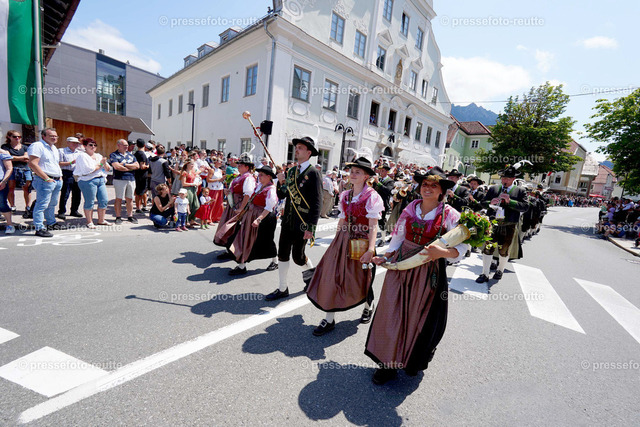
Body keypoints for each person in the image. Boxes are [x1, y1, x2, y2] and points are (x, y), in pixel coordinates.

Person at [366, 167, 469, 384]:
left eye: (433, 185)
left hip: (428, 271)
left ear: (442, 191)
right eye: (424, 184)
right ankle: (387, 362)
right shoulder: (410, 208)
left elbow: (462, 249)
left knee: (417, 316)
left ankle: (411, 357)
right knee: (391, 312)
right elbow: (398, 237)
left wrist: (442, 253)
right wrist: (386, 256)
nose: (427, 188)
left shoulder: (450, 214)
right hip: (403, 265)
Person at [306, 157, 384, 336]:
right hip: (343, 241)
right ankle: (329, 319)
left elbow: (373, 226)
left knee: (362, 278)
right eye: (352, 171)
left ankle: (368, 305)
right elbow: (342, 220)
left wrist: (370, 250)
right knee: (333, 277)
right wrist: (336, 241)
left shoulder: (372, 196)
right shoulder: (345, 195)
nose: (353, 174)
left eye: (358, 172)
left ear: (366, 176)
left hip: (361, 243)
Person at [264, 137, 322, 301]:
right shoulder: (290, 172)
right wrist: (280, 181)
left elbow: (317, 202)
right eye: (296, 147)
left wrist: (311, 227)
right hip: (288, 221)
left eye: (301, 148)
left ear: (309, 152)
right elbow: (282, 195)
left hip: (303, 223)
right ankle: (283, 288)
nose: (297, 149)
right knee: (282, 254)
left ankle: (312, 279)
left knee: (298, 257)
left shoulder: (313, 173)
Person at [476, 165, 528, 283]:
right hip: (492, 223)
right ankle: (485, 273)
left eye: (508, 178)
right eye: (503, 178)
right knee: (488, 248)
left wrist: (510, 202)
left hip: (508, 224)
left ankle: (500, 270)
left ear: (513, 179)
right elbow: (482, 203)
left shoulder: (520, 191)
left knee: (503, 249)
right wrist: (490, 203)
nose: (505, 180)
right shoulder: (494, 189)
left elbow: (525, 207)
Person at [226, 164, 279, 275]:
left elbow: (269, 208)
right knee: (245, 239)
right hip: (252, 215)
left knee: (266, 241)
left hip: (265, 217)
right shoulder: (259, 186)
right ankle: (242, 266)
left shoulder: (271, 189)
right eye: (259, 174)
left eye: (262, 175)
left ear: (269, 177)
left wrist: (259, 219)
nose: (259, 176)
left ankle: (275, 261)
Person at [214, 153, 256, 257]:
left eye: (241, 165)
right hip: (233, 204)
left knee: (236, 228)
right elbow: (235, 190)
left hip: (240, 205)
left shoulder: (248, 178)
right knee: (231, 227)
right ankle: (229, 249)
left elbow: (248, 194)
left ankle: (234, 251)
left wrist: (241, 208)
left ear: (247, 167)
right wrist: (228, 192)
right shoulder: (239, 177)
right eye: (239, 164)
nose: (238, 166)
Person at [27, 128, 64, 237]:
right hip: (45, 180)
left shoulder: (54, 148)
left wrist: (60, 176)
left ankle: (51, 223)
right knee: (42, 204)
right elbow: (32, 163)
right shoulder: (37, 146)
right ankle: (39, 228)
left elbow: (54, 164)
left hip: (56, 179)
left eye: (56, 136)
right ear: (43, 136)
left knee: (52, 203)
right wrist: (46, 178)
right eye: (51, 136)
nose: (54, 138)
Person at [73, 138, 111, 228]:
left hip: (101, 179)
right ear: (85, 146)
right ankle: (89, 222)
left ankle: (101, 220)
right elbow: (89, 170)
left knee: (104, 200)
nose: (93, 147)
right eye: (90, 145)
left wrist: (103, 164)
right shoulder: (82, 156)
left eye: (95, 145)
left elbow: (108, 169)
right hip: (87, 180)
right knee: (90, 202)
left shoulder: (99, 155)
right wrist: (101, 164)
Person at [109, 139, 140, 224]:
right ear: (118, 145)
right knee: (119, 198)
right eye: (125, 145)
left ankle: (130, 216)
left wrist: (124, 165)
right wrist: (130, 168)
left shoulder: (131, 155)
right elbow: (116, 167)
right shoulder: (114, 155)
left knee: (130, 198)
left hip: (131, 179)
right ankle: (118, 216)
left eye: (127, 145)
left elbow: (137, 166)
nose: (127, 147)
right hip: (119, 179)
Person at [2, 130, 32, 216]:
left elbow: (27, 157)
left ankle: (28, 206)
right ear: (9, 137)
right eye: (15, 137)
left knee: (27, 188)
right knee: (11, 188)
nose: (17, 138)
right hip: (11, 169)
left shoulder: (25, 147)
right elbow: (7, 157)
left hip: (25, 169)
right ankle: (12, 206)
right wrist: (21, 158)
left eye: (19, 136)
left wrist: (14, 157)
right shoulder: (5, 146)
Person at [57, 136, 83, 220]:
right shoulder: (61, 151)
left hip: (77, 174)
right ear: (68, 143)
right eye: (73, 143)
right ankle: (61, 211)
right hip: (67, 173)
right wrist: (70, 163)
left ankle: (74, 210)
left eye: (77, 143)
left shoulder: (80, 152)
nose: (75, 144)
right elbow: (59, 163)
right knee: (65, 193)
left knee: (77, 193)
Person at [373, 161, 395, 242]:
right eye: (380, 170)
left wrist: (378, 183)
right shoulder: (379, 179)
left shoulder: (390, 181)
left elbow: (388, 191)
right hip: (375, 202)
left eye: (382, 171)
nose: (380, 172)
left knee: (381, 221)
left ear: (386, 171)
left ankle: (383, 239)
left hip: (383, 203)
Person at [179, 160, 201, 227]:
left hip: (193, 189)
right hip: (187, 189)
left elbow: (197, 178)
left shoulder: (193, 172)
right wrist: (192, 184)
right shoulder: (184, 172)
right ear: (187, 164)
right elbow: (183, 183)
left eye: (193, 164)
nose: (192, 166)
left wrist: (198, 182)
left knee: (196, 206)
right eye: (191, 164)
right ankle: (186, 221)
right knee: (189, 205)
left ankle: (192, 219)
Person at [0, 146, 15, 233]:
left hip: (1, 182)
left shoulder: (3, 153)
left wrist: (4, 181)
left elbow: (9, 168)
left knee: (2, 203)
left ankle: (9, 225)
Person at [133, 139, 150, 213]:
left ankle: (139, 207)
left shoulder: (135, 153)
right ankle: (139, 208)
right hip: (142, 175)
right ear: (144, 145)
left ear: (137, 145)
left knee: (138, 192)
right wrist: (148, 166)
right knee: (141, 193)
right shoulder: (142, 154)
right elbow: (142, 166)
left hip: (136, 174)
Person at [206, 157, 225, 223]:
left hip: (219, 188)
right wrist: (218, 179)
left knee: (219, 203)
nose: (221, 163)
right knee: (212, 203)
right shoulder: (212, 170)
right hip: (213, 188)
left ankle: (216, 217)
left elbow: (221, 179)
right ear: (215, 162)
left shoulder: (220, 170)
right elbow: (208, 180)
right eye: (220, 161)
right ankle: (209, 218)